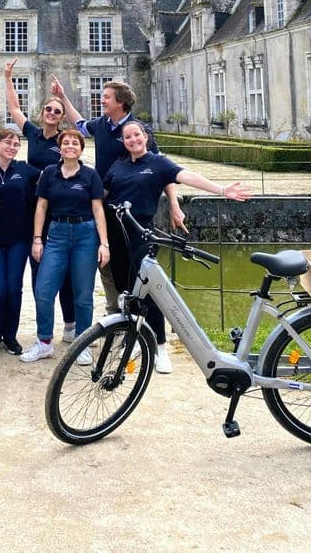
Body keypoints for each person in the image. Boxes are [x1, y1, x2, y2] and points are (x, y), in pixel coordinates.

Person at [104, 119, 251, 374]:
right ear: (123, 142)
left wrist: (221, 189)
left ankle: (160, 347)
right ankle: (136, 338)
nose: (133, 140)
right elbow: (102, 194)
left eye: (136, 135)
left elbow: (187, 176)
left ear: (145, 136)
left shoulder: (157, 163)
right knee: (127, 290)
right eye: (127, 137)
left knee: (149, 292)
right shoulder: (118, 164)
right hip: (116, 235)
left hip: (141, 234)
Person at [51, 76, 182, 315]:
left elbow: (164, 169)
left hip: (135, 210)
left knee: (138, 265)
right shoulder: (102, 124)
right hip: (106, 204)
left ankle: (142, 316)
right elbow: (79, 123)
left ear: (120, 102)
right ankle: (117, 309)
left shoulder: (138, 131)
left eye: (107, 96)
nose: (102, 99)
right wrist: (62, 96)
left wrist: (174, 203)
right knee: (108, 259)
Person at [21, 129, 109, 365]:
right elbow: (41, 207)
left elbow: (98, 209)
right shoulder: (50, 173)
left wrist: (104, 244)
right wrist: (37, 239)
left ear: (81, 149)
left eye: (75, 143)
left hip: (85, 235)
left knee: (82, 294)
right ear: (60, 148)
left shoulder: (90, 175)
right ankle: (44, 342)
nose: (70, 146)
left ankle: (82, 343)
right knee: (44, 290)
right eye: (66, 142)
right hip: (57, 234)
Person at [4, 58, 77, 343]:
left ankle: (70, 325)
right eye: (48, 108)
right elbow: (13, 109)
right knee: (38, 274)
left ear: (60, 117)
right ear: (42, 112)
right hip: (32, 209)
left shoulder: (64, 141)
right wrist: (8, 77)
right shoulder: (33, 134)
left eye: (56, 111)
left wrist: (63, 96)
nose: (51, 112)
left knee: (65, 273)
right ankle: (43, 331)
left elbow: (80, 128)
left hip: (56, 211)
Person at [0, 129, 40, 355]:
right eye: (7, 142)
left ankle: (10, 336)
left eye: (16, 144)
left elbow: (51, 176)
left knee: (14, 289)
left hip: (18, 239)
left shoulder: (23, 169)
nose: (12, 147)